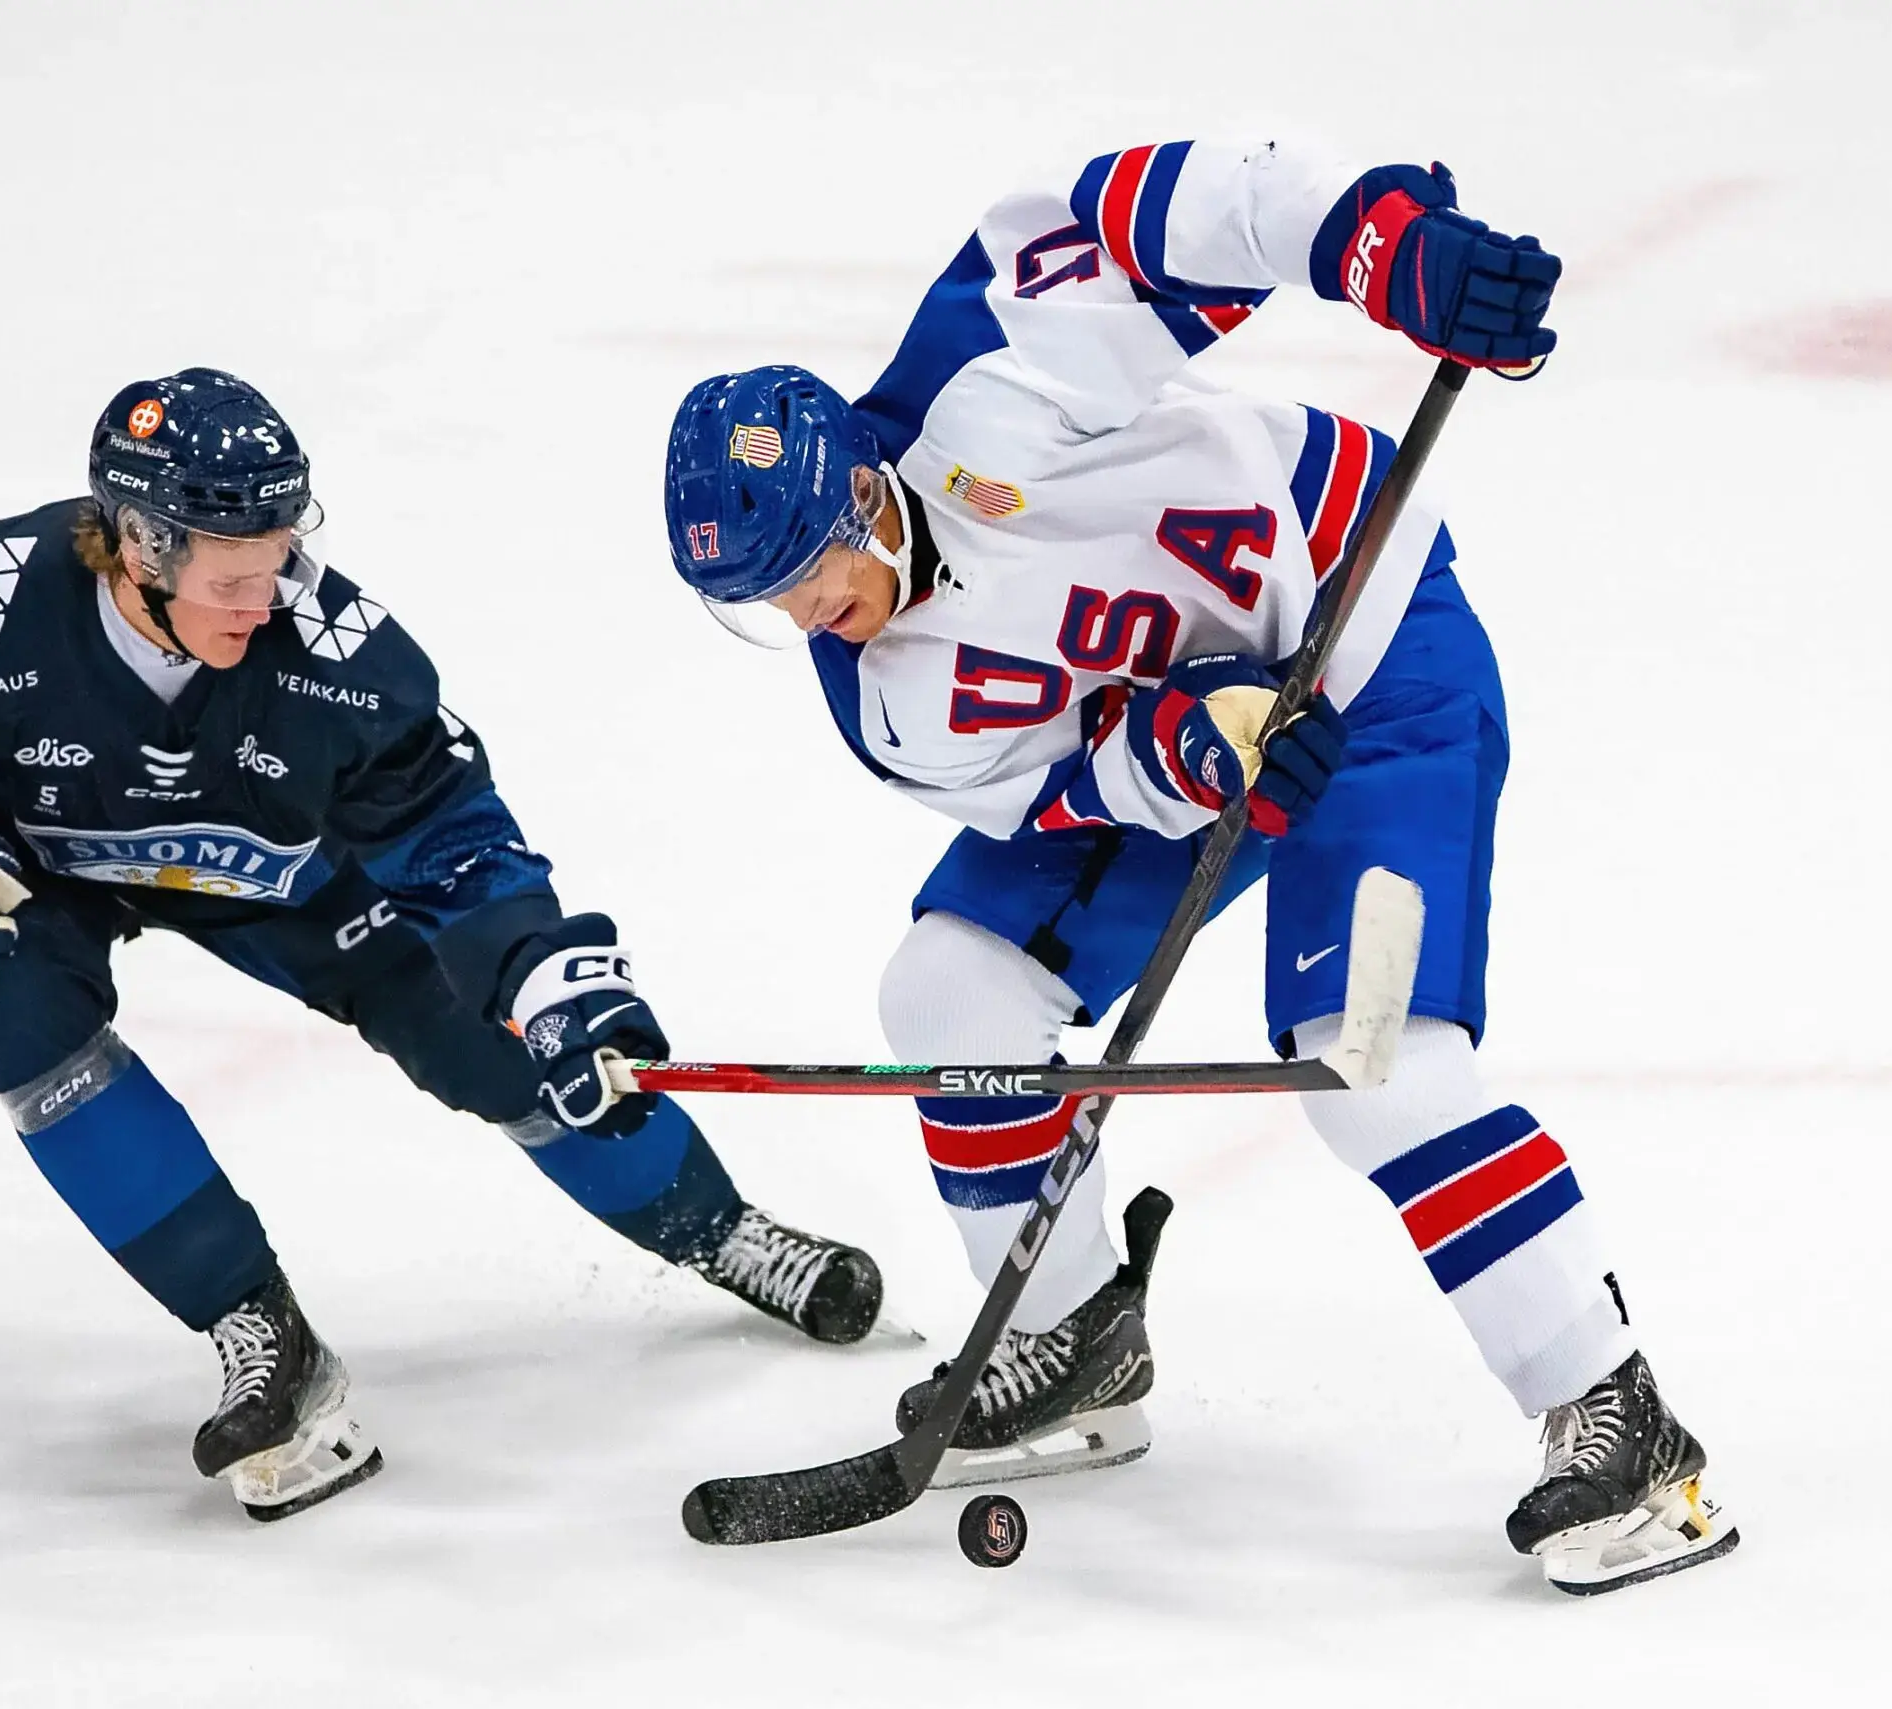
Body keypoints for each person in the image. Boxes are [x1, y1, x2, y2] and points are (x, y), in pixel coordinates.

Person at [657, 140, 1733, 1594]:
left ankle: (1618, 1413)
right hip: (1212, 724)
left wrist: (1384, 248)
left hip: (1374, 632)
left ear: (858, 483)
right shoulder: (890, 708)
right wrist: (1187, 754)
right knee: (950, 989)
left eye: (806, 573)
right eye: (763, 606)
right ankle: (1073, 1336)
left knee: (1373, 1061)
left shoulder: (988, 370)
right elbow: (1073, 786)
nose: (808, 621)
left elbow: (1179, 214)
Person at [0, 368, 883, 1522]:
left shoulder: (339, 653)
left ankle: (722, 1228)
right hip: (43, 871)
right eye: (234, 574)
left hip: (291, 877)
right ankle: (258, 1325)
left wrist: (545, 976)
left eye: (282, 555)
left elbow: (461, 847)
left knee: (494, 1044)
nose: (268, 597)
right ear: (141, 547)